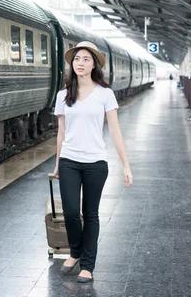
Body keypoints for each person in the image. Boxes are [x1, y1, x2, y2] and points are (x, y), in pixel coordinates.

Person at [52, 41, 133, 283]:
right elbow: (61, 132)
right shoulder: (63, 95)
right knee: (70, 213)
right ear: (71, 64)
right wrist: (57, 163)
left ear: (94, 64)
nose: (81, 63)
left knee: (91, 213)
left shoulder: (105, 94)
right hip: (69, 160)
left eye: (86, 59)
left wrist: (126, 165)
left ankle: (87, 265)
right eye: (77, 59)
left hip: (96, 162)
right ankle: (75, 251)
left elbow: (116, 131)